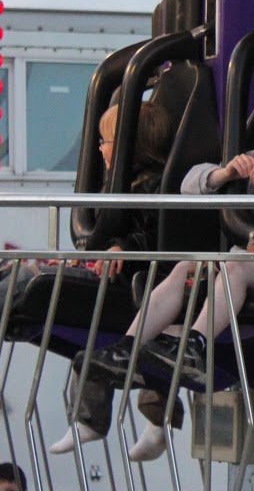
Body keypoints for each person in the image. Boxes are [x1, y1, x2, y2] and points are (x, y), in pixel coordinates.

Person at [62, 63, 254, 461]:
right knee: (184, 268)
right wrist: (224, 174)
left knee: (234, 267)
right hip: (251, 262)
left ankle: (195, 345)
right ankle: (128, 349)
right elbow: (189, 183)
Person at [48, 97, 186, 462]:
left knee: (143, 338)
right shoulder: (118, 186)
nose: (100, 149)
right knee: (102, 337)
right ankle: (109, 418)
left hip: (148, 277)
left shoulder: (153, 186)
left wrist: (124, 247)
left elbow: (156, 232)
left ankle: (145, 418)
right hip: (129, 276)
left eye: (106, 142)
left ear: (130, 147)